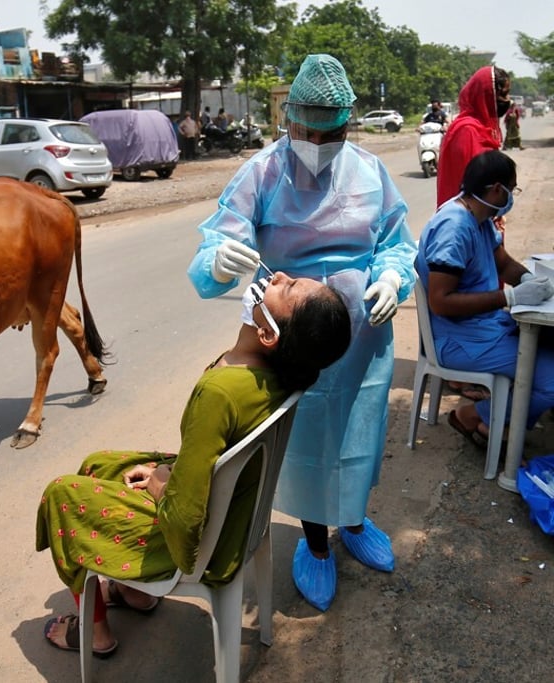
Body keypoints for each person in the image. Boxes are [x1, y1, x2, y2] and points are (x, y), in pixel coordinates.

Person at [185, 53, 417, 612]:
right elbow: (214, 247)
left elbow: (397, 240)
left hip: (362, 334)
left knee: (359, 432)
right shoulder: (262, 173)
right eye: (304, 129)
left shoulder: (368, 170)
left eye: (328, 131)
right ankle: (315, 542)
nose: (315, 141)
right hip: (293, 335)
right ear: (288, 121)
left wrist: (391, 275)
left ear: (345, 124)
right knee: (308, 440)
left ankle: (354, 519)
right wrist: (218, 262)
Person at [38, 273, 352, 656]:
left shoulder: (220, 392)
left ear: (269, 335)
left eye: (285, 288)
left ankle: (96, 633)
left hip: (204, 541)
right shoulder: (282, 372)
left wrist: (159, 483)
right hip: (232, 510)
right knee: (97, 464)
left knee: (61, 495)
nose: (278, 275)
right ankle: (133, 593)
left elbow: (186, 519)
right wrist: (168, 473)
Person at [416, 150, 554, 446]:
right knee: (552, 382)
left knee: (548, 342)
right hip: (459, 340)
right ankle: (474, 415)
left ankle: (497, 417)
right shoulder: (454, 228)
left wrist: (530, 280)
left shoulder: (480, 217)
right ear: (496, 189)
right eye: (511, 189)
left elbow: (504, 263)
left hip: (483, 328)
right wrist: (511, 296)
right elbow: (441, 302)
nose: (511, 197)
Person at [437, 65, 511, 208]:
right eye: (503, 94)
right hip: (468, 219)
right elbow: (474, 188)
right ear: (487, 95)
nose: (507, 100)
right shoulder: (468, 131)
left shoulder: (482, 129)